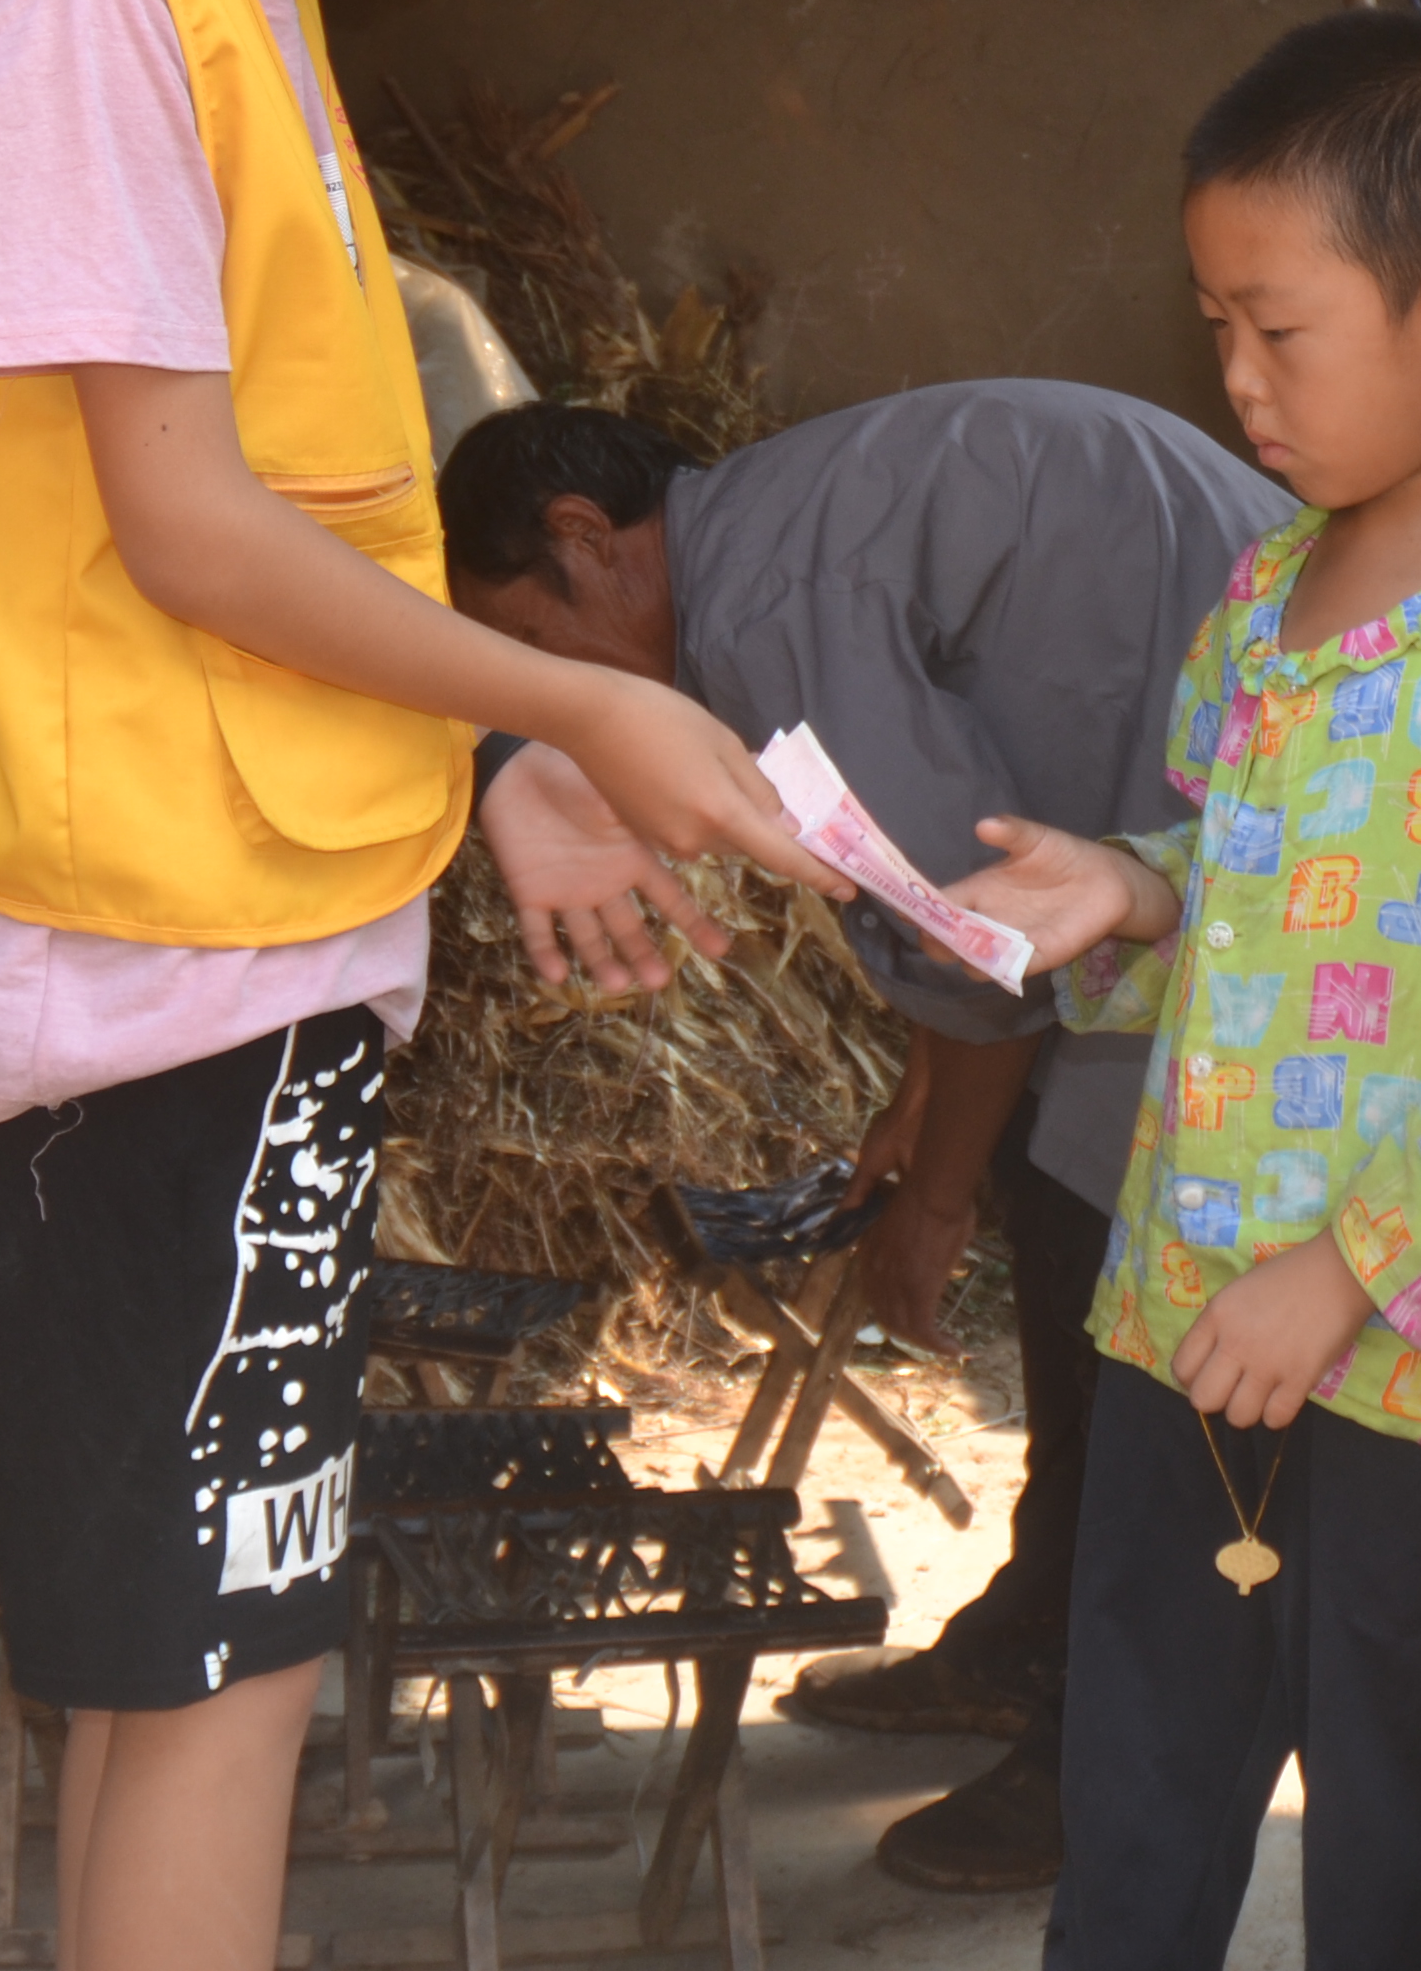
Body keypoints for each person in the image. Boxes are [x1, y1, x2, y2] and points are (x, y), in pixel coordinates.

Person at [0, 0, 846, 1971]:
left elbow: (302, 498)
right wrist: (583, 694)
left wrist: (479, 776)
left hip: (225, 950)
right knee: (207, 1672)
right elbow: (177, 527)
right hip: (123, 989)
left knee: (233, 1658)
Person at [946, 12, 1421, 1971]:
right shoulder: (1262, 594)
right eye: (1215, 327)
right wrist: (1129, 889)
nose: (1234, 378)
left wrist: (1351, 1271)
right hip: (1190, 1319)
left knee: (1401, 1870)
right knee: (1134, 1824)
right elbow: (1286, 902)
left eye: (1276, 331)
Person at [439, 384, 1290, 1892]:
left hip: (1235, 829)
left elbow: (969, 937)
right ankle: (1034, 1634)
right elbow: (969, 868)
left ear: (591, 541)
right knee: (1064, 1193)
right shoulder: (767, 517)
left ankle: (1107, 1768)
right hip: (1167, 775)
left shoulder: (768, 610)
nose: (544, 698)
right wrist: (933, 1094)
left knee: (1121, 1273)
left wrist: (935, 1197)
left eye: (529, 645)